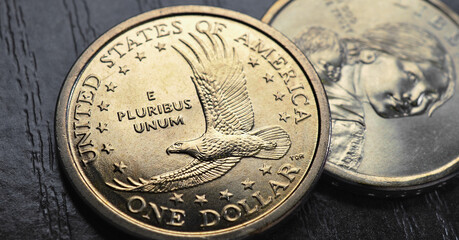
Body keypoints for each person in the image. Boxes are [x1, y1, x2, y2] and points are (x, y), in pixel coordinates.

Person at [295, 23, 456, 170]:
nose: (415, 100)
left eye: (427, 98)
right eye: (412, 77)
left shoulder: (347, 133)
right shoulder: (316, 51)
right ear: (370, 54)